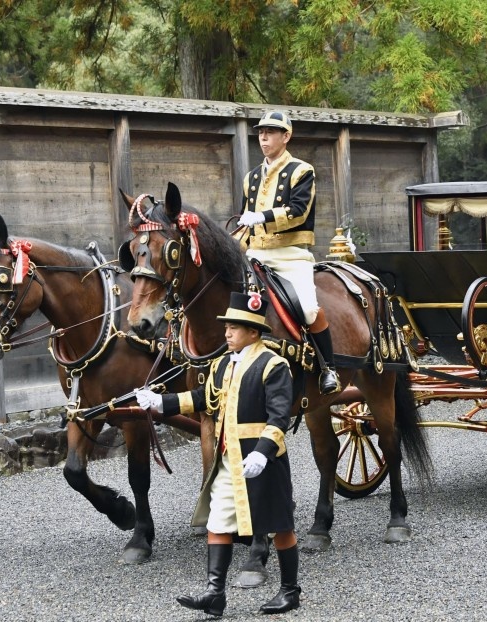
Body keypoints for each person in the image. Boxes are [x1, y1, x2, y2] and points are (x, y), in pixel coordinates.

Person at [136, 290, 301, 617]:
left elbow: (279, 416)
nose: (227, 332)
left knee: (278, 524)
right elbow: (202, 399)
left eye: (235, 327)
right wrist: (161, 403)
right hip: (228, 460)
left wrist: (264, 452)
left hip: (262, 461)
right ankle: (215, 593)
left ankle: (290, 591)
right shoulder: (221, 364)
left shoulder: (274, 365)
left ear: (253, 332)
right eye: (227, 326)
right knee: (218, 521)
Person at [236, 110, 339, 395]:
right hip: (254, 254)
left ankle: (328, 368)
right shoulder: (251, 177)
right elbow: (245, 221)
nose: (264, 137)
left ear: (286, 136)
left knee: (307, 308)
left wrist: (262, 217)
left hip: (291, 255)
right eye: (261, 132)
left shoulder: (302, 170)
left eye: (271, 131)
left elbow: (297, 211)